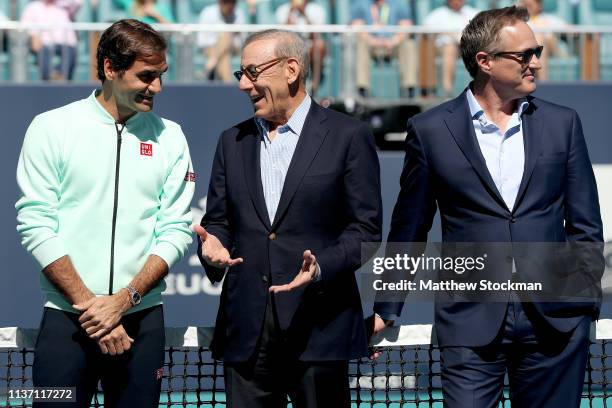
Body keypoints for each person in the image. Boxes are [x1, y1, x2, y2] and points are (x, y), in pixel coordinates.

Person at [372, 6, 603, 407]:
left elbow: (586, 223)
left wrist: (581, 298)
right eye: (525, 54)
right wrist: (386, 308)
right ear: (485, 62)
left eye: (538, 51)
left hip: (555, 323)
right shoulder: (429, 131)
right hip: (469, 323)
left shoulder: (564, 123)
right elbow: (410, 227)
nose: (536, 62)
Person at [194, 29, 382, 407]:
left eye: (252, 72)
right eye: (240, 74)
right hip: (247, 332)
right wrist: (211, 247)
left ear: (291, 70)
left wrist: (319, 268)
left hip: (320, 327)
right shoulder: (230, 142)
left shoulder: (349, 135)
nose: (243, 85)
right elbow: (219, 222)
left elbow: (366, 230)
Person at [16, 19, 194, 407]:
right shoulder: (51, 128)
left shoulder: (172, 136)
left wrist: (122, 301)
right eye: (146, 76)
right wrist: (93, 308)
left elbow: (176, 230)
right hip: (67, 322)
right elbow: (35, 224)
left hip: (141, 322)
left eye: (162, 75)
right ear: (110, 68)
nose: (157, 88)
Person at [350, 0, 417, 98]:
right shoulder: (361, 4)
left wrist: (393, 41)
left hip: (392, 46)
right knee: (361, 45)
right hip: (371, 45)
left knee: (408, 45)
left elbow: (406, 27)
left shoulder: (398, 4)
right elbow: (357, 28)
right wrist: (373, 41)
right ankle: (362, 89)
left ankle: (409, 88)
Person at [423, 0, 478, 97]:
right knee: (449, 48)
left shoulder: (473, 12)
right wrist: (449, 34)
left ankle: (479, 90)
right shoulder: (437, 14)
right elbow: (425, 31)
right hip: (443, 48)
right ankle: (447, 91)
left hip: (469, 46)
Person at [276, 0, 327, 97]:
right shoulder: (283, 10)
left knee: (319, 46)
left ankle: (314, 86)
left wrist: (304, 13)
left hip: (310, 44)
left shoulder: (317, 9)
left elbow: (316, 35)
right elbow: (281, 35)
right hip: (290, 44)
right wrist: (289, 15)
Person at [20, 0, 78, 81]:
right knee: (44, 50)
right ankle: (49, 81)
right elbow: (24, 26)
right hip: (44, 43)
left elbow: (78, 2)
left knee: (70, 52)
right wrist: (34, 35)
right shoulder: (32, 7)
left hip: (66, 43)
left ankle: (60, 79)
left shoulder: (65, 5)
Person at [197, 0, 246, 82]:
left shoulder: (239, 13)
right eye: (226, 2)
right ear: (220, 2)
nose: (229, 5)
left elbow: (242, 41)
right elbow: (202, 40)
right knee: (224, 57)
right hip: (210, 48)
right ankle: (228, 86)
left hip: (234, 48)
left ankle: (210, 65)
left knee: (226, 37)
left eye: (233, 2)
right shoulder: (208, 12)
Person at [521, 0, 567, 80]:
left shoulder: (549, 19)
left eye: (530, 5)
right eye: (526, 5)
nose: (528, 7)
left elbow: (572, 30)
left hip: (552, 49)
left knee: (540, 39)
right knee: (538, 41)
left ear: (539, 5)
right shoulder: (521, 21)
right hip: (529, 50)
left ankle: (544, 82)